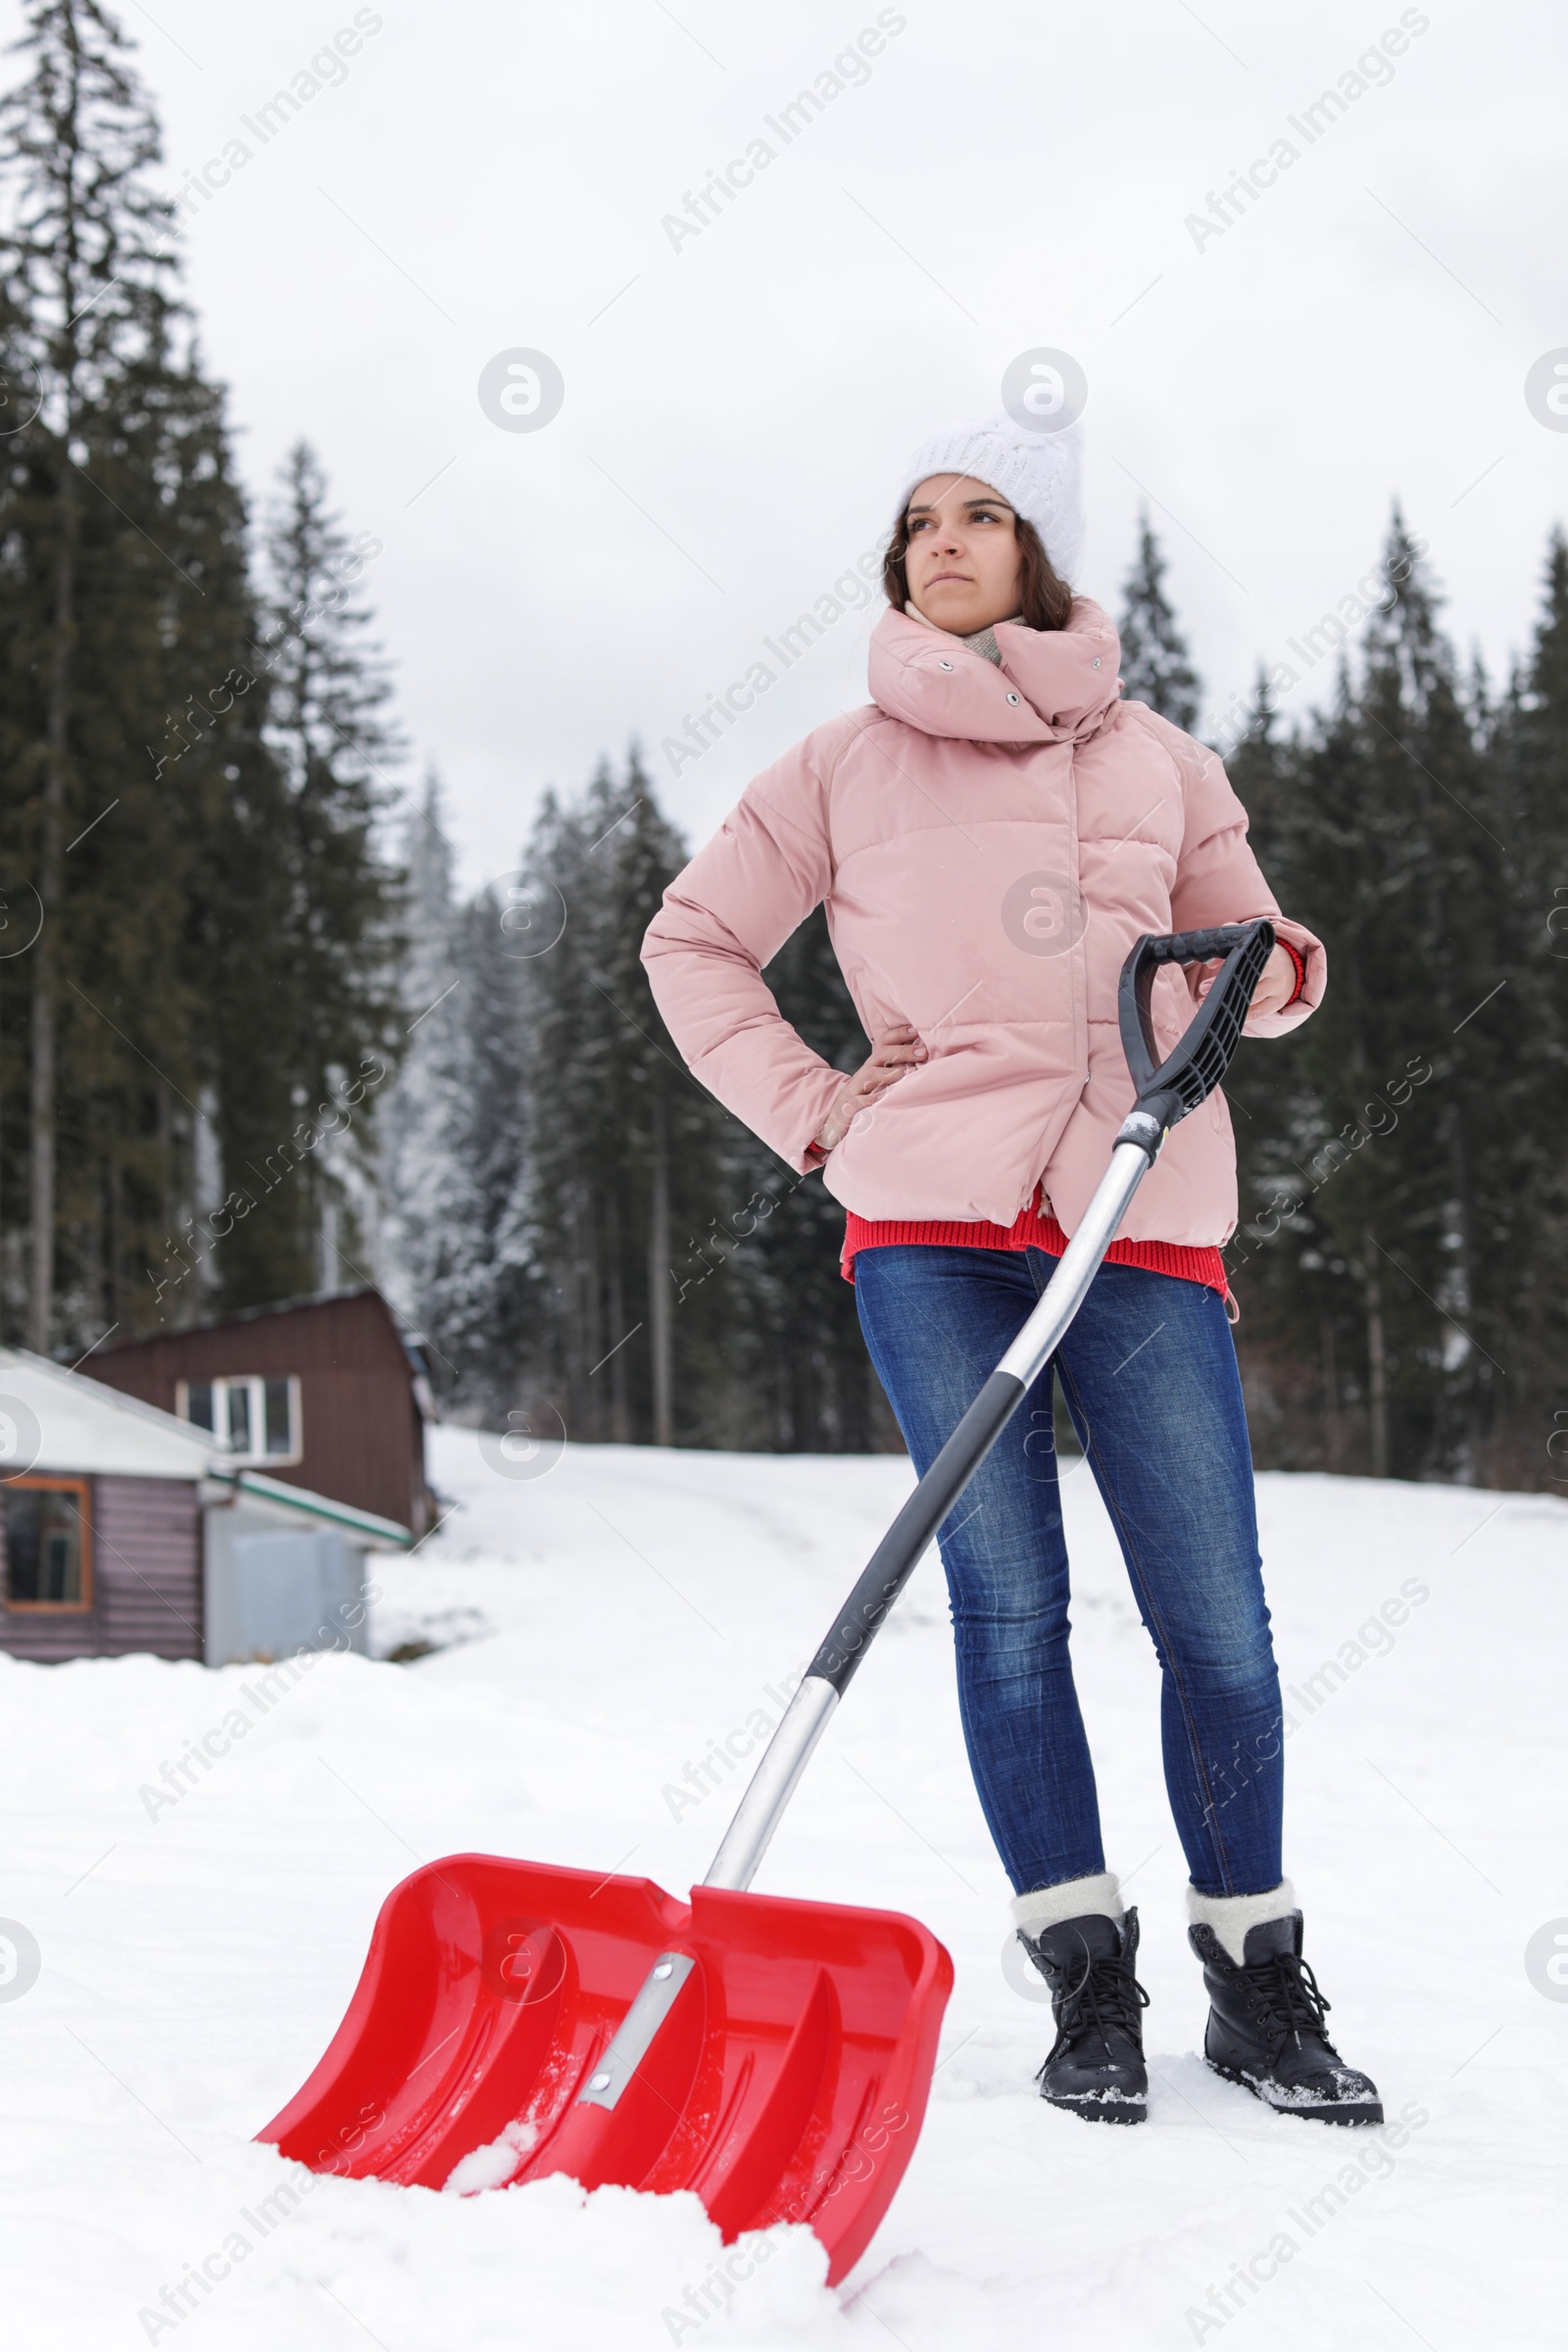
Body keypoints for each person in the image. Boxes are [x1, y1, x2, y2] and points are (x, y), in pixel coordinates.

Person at [642, 412, 1381, 2129]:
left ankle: (1258, 1987)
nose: (944, 543)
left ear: (1038, 555)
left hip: (1141, 1221)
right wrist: (819, 1116)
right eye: (918, 522)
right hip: (933, 1231)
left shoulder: (1161, 763)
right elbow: (693, 943)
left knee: (1220, 1626)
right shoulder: (835, 768)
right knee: (1010, 1615)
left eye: (982, 517)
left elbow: (1247, 966)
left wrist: (1275, 973)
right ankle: (1087, 1986)